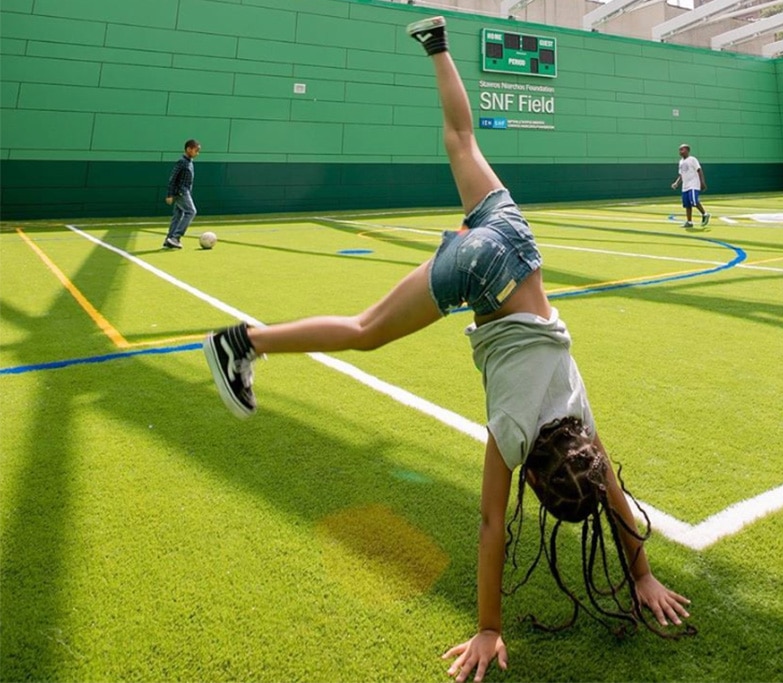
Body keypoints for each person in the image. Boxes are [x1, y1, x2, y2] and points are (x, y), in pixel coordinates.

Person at [202, 16, 694, 683]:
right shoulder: (515, 436)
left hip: (518, 246)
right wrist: (487, 627)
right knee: (365, 329)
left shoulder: (586, 431)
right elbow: (493, 525)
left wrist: (644, 571)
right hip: (483, 276)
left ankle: (436, 44)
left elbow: (613, 494)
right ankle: (241, 342)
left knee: (461, 138)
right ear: (539, 483)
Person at [163, 139, 201, 249]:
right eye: (196, 150)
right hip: (181, 192)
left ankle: (169, 239)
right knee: (191, 211)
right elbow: (172, 178)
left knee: (177, 216)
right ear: (188, 149)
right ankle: (176, 237)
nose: (197, 153)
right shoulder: (182, 161)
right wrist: (169, 194)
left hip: (185, 192)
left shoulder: (189, 162)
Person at [670, 144, 709, 228]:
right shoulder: (681, 162)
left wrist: (702, 182)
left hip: (693, 184)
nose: (680, 152)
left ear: (687, 150)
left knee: (693, 201)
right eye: (679, 150)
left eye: (682, 149)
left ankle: (705, 214)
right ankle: (689, 222)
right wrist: (676, 183)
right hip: (685, 186)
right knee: (687, 205)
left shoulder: (692, 159)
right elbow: (681, 175)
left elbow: (699, 170)